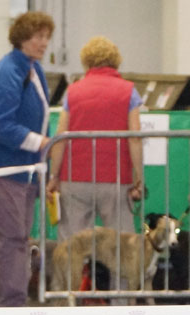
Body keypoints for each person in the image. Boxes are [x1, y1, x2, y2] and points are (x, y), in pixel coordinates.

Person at [0, 10, 54, 306]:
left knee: (18, 238)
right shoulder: (8, 72)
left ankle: (14, 301)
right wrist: (41, 142)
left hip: (23, 169)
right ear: (23, 38)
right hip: (4, 169)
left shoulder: (32, 69)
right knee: (12, 240)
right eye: (39, 36)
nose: (44, 43)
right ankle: (10, 305)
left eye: (47, 37)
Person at [47, 36, 143, 241]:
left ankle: (71, 274)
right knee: (122, 246)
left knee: (72, 246)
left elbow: (60, 137)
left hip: (75, 179)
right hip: (116, 179)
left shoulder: (72, 92)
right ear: (116, 60)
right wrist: (139, 177)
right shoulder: (129, 91)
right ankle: (122, 275)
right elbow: (135, 137)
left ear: (86, 61)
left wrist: (54, 176)